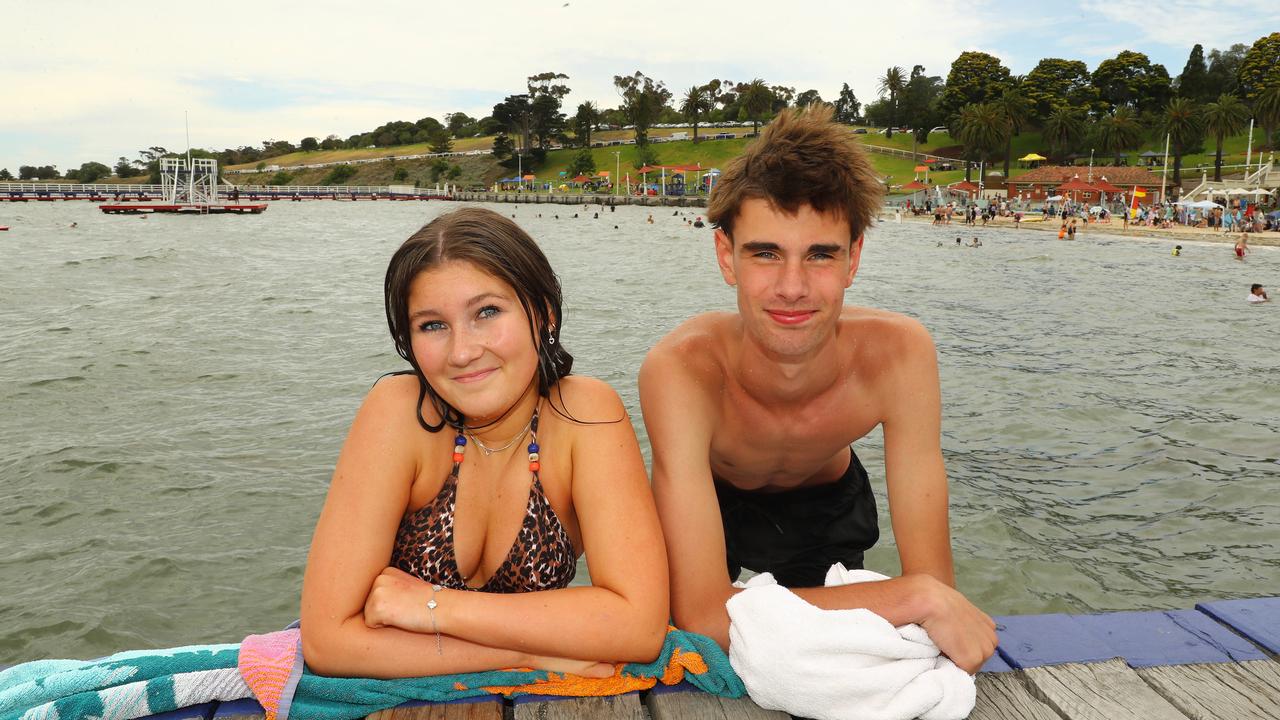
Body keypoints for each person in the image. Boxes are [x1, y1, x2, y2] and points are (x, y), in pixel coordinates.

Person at [638, 105, 997, 674]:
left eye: (820, 254)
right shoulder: (682, 369)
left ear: (853, 258)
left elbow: (938, 584)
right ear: (726, 256)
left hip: (825, 510)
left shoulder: (899, 355)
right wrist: (912, 596)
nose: (792, 288)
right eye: (765, 253)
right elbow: (706, 617)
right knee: (690, 649)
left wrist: (930, 594)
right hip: (713, 500)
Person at [301, 208, 668, 678]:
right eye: (432, 325)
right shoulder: (399, 413)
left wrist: (434, 607)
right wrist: (525, 656)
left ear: (544, 314)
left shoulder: (584, 415)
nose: (462, 352)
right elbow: (328, 642)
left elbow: (638, 626)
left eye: (487, 312)